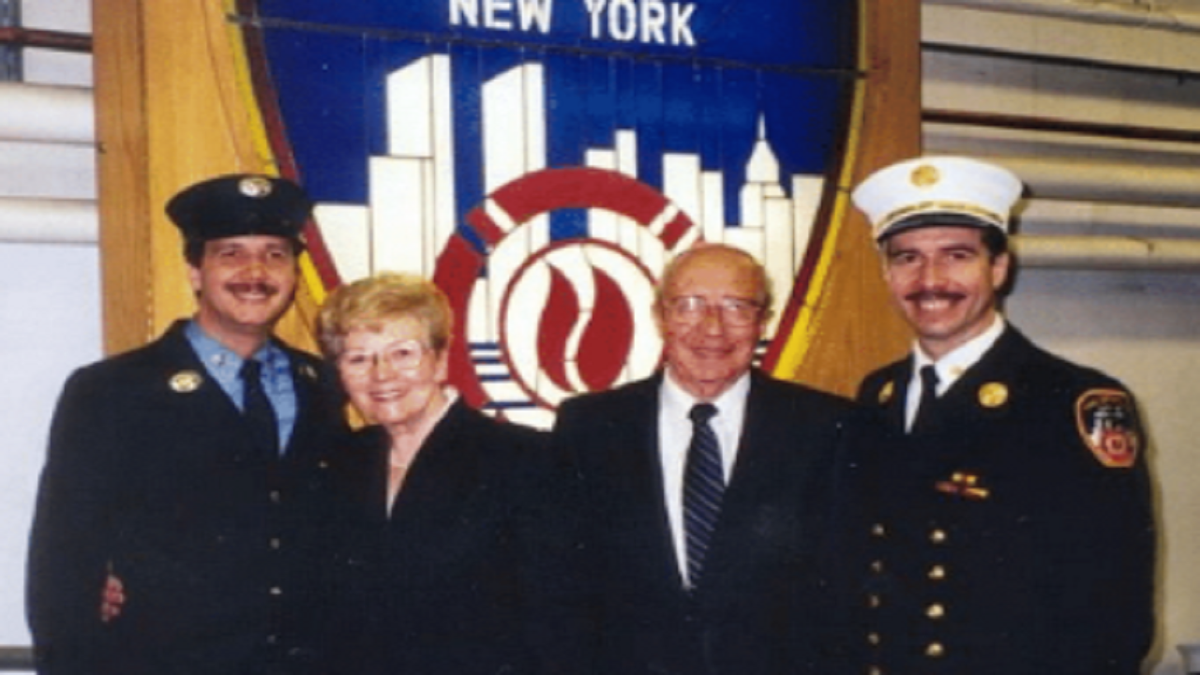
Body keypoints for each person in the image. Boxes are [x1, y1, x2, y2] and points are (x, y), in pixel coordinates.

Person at [828, 155, 1155, 673]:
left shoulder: (1073, 401)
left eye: (956, 255)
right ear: (886, 272)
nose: (930, 279)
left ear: (999, 266)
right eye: (907, 258)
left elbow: (1116, 616)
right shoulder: (878, 394)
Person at [26, 174, 349, 675]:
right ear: (195, 271)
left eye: (274, 254)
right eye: (231, 254)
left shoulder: (322, 384)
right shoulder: (113, 389)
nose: (255, 272)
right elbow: (62, 562)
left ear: (293, 272)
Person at [550, 243, 853, 675]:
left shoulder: (827, 427)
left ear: (762, 322)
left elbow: (844, 596)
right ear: (660, 317)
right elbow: (565, 588)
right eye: (689, 306)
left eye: (736, 307)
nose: (713, 329)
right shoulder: (590, 427)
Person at [314, 272, 583, 675]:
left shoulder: (524, 459)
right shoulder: (339, 462)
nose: (382, 374)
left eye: (403, 353)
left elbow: (558, 625)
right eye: (358, 358)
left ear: (440, 361)